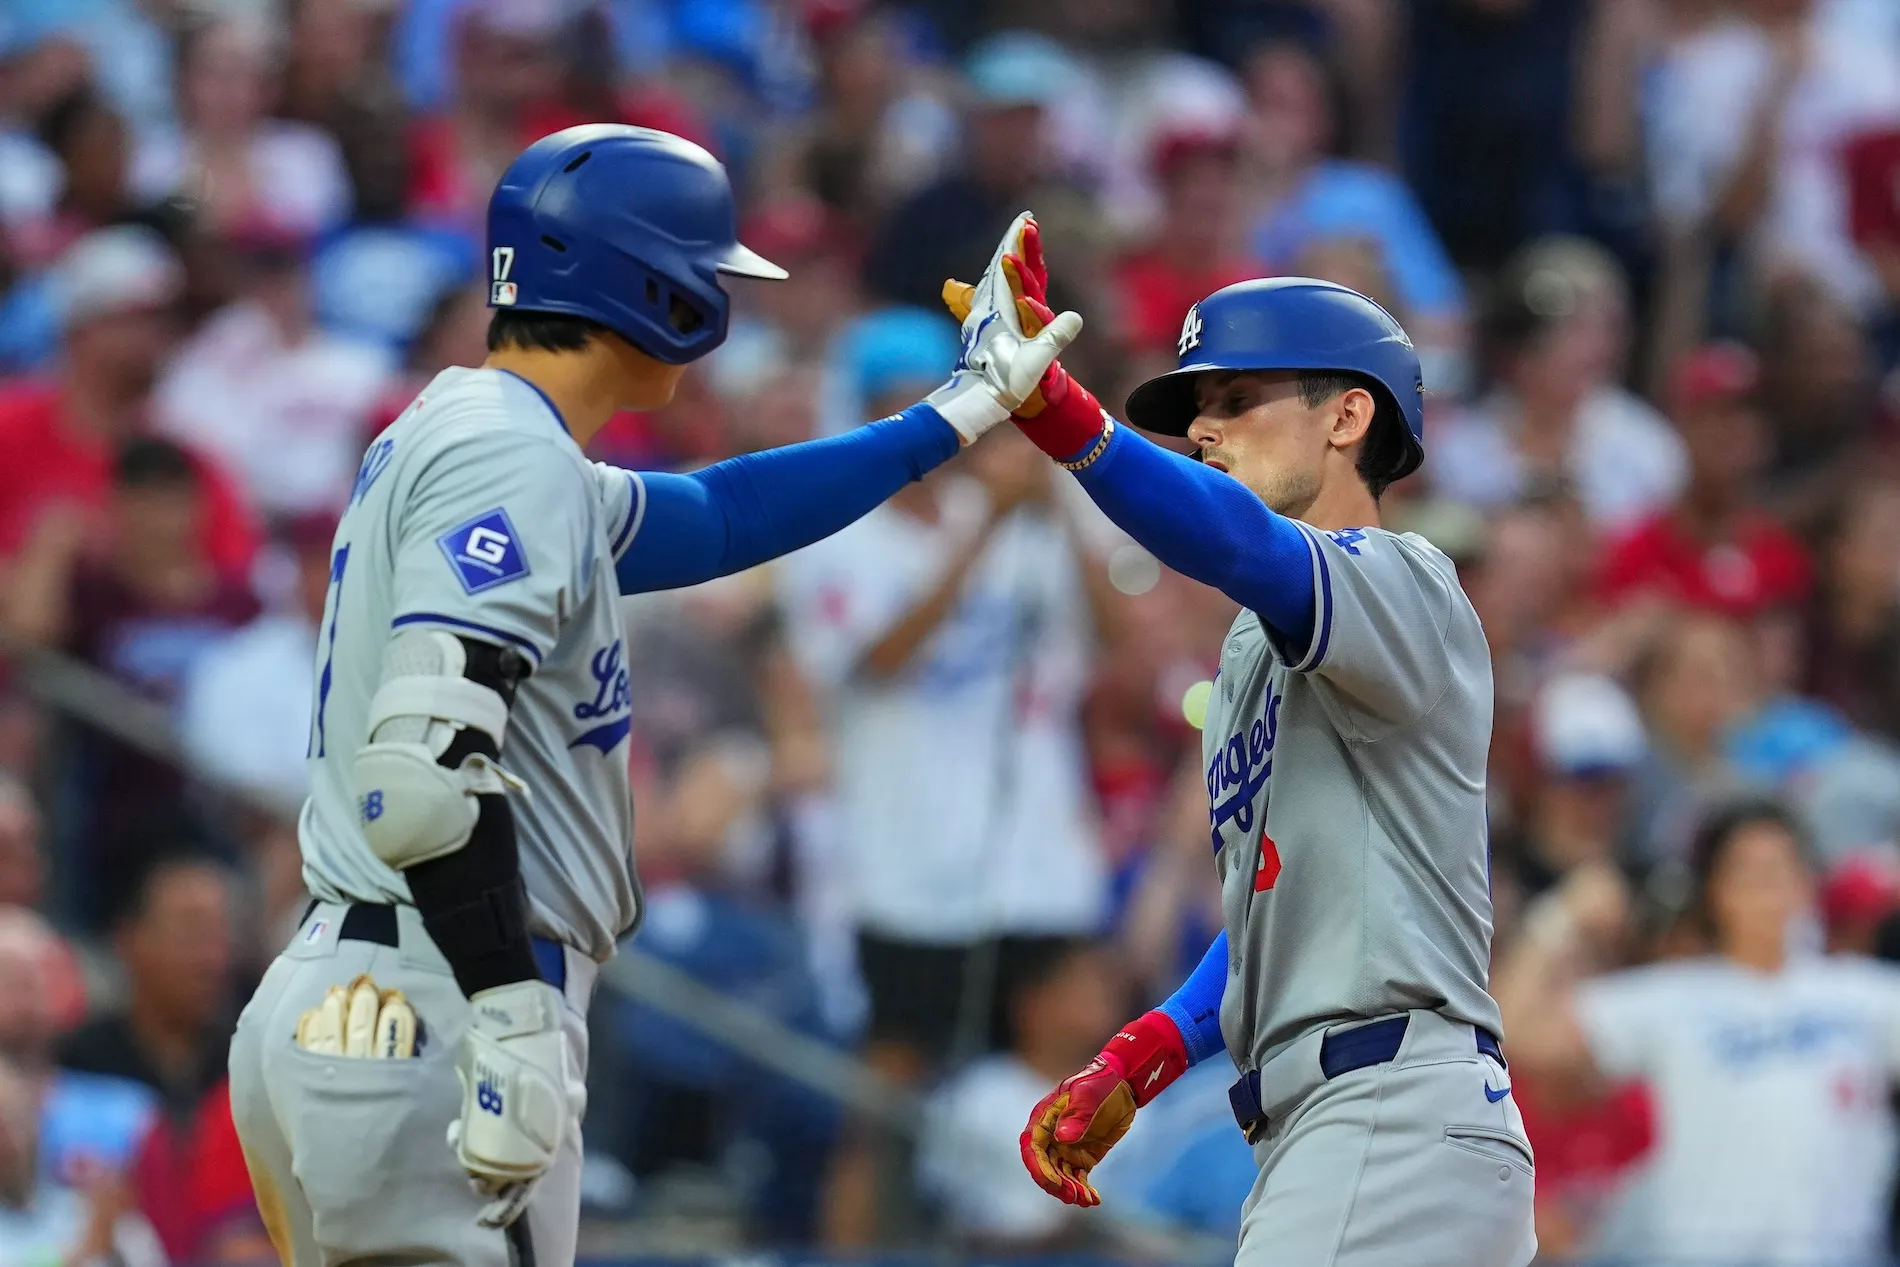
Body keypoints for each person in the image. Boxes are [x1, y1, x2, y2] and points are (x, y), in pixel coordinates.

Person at [225, 124, 1080, 1267]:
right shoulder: (506, 453)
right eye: (703, 267)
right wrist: (511, 1011)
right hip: (439, 998)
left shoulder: (482, 434)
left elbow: (724, 515)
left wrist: (957, 415)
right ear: (641, 279)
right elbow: (421, 775)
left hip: (365, 994)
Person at [945, 222, 1534, 1262]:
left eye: (1235, 400)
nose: (1205, 430)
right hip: (1349, 1116)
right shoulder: (1258, 647)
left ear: (1348, 413)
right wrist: (1147, 1050)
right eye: (1197, 411)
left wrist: (1056, 412)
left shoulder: (1399, 577)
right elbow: (1282, 901)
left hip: (1385, 1111)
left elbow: (1233, 539)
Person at [1497, 800, 1900, 1267]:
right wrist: (1560, 915)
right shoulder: (1671, 999)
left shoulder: (1864, 995)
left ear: (1808, 884)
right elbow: (1517, 1032)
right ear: (1714, 890)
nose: (1768, 885)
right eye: (1748, 872)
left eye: (1782, 868)